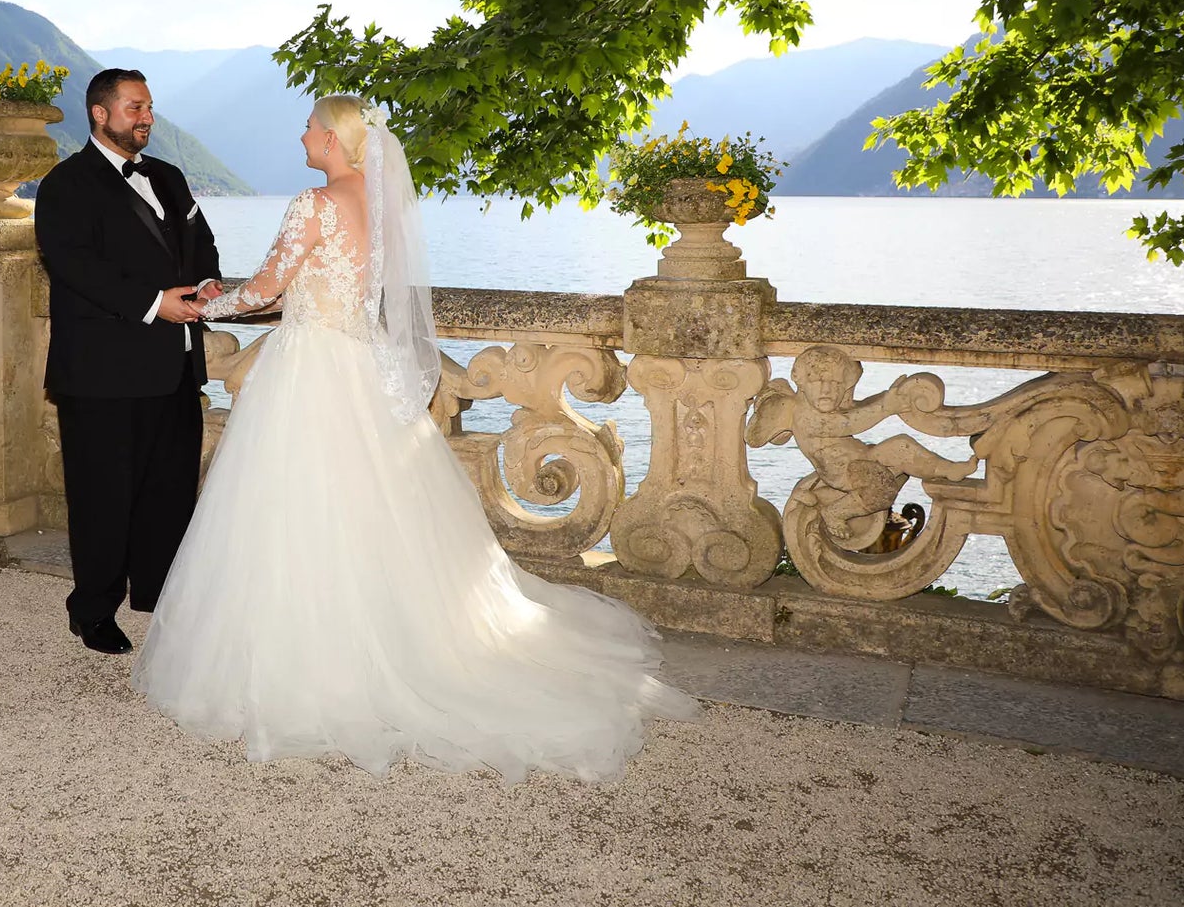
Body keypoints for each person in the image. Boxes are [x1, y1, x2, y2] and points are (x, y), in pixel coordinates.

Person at [133, 95, 697, 782]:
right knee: (370, 506)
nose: (302, 135)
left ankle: (308, 659)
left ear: (334, 139)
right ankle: (392, 639)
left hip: (310, 369)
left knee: (293, 504)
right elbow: (312, 288)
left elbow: (268, 290)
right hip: (360, 365)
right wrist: (231, 294)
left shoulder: (313, 204)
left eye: (310, 127)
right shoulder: (379, 207)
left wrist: (200, 304)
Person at [34, 68, 221, 655]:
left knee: (169, 489)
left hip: (175, 365)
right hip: (102, 372)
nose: (147, 118)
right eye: (135, 107)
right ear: (100, 113)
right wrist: (154, 303)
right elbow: (75, 266)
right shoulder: (64, 185)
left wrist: (207, 283)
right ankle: (92, 611)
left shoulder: (168, 176)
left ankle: (159, 594)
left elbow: (201, 241)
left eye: (149, 107)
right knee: (102, 497)